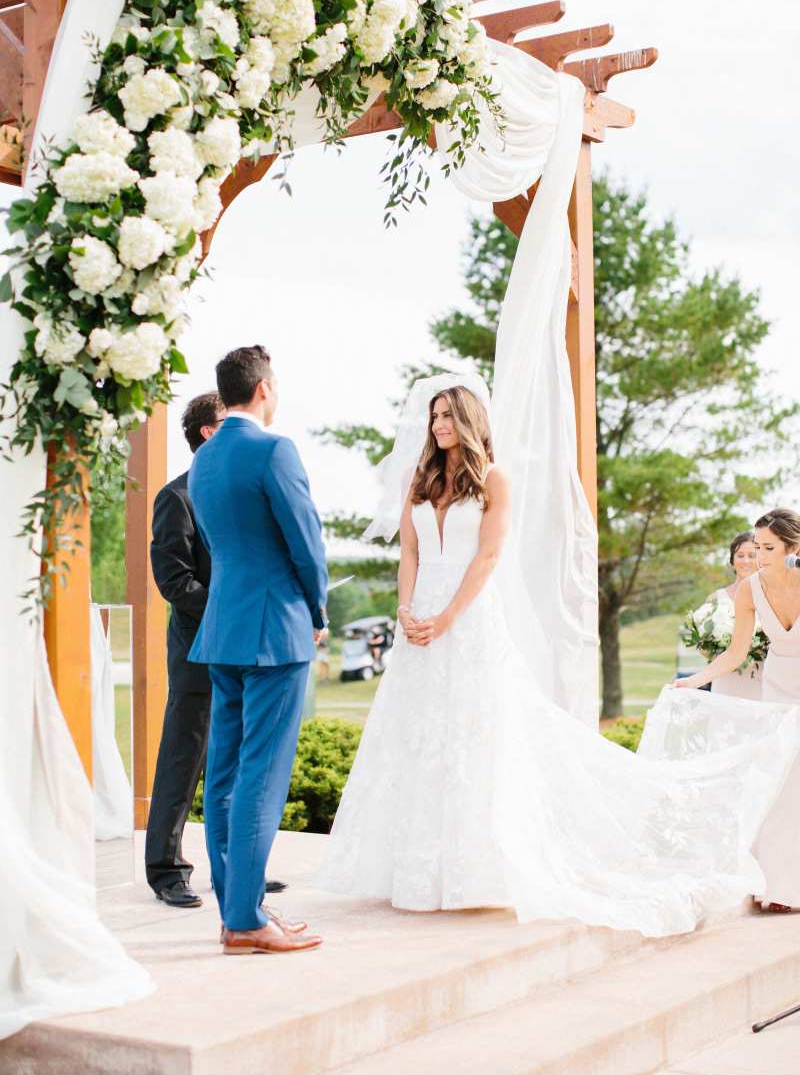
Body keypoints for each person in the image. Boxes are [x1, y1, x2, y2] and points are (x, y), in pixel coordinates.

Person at [315, 377, 800, 938]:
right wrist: (406, 611)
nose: (439, 425)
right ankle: (414, 872)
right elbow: (410, 553)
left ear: (470, 420)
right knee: (417, 734)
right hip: (418, 619)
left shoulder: (494, 479)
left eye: (448, 415)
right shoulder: (418, 479)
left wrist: (446, 618)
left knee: (473, 735)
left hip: (467, 617)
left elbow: (489, 556)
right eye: (434, 416)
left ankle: (470, 875)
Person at [188, 346, 326, 954]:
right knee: (262, 778)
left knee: (223, 775)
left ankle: (238, 910)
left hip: (224, 630)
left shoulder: (204, 458)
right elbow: (306, 543)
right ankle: (245, 918)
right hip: (275, 632)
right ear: (264, 388)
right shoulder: (275, 450)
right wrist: (317, 610)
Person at [147, 391, 290, 907]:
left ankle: (236, 872)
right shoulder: (176, 497)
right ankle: (166, 872)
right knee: (183, 762)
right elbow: (174, 580)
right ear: (209, 431)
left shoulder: (240, 494)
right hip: (197, 651)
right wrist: (228, 610)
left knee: (235, 765)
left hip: (247, 649)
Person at [677, 508, 800, 912]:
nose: (759, 556)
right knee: (781, 786)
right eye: (757, 547)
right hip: (779, 690)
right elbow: (735, 652)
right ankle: (781, 887)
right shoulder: (751, 590)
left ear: (793, 549)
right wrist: (694, 680)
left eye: (768, 548)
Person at [706, 532, 762, 699]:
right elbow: (702, 644)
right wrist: (718, 650)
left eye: (752, 555)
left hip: (761, 677)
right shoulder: (716, 598)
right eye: (740, 555)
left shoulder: (771, 597)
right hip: (726, 679)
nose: (746, 561)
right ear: (732, 560)